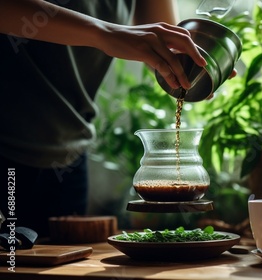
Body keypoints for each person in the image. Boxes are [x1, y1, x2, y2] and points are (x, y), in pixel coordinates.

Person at [0, 0, 210, 237]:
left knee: (60, 268)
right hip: (7, 144)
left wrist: (198, 64)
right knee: (11, 267)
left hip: (69, 151)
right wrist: (104, 33)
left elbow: (164, 48)